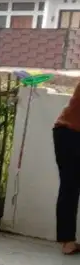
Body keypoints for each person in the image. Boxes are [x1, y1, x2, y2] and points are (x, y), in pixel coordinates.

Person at [54, 79, 80, 254]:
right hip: (69, 133)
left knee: (70, 186)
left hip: (71, 133)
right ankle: (67, 241)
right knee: (70, 186)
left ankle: (67, 240)